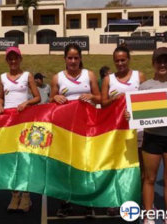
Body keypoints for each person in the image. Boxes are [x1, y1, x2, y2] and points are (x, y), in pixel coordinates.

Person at [50, 43, 101, 217]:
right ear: (65, 59)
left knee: (86, 165)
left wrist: (92, 96)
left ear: (80, 59)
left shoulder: (89, 75)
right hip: (65, 130)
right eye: (70, 58)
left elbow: (101, 98)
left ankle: (88, 203)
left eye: (76, 58)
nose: (73, 61)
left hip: (87, 128)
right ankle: (65, 203)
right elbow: (50, 104)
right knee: (65, 168)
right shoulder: (57, 78)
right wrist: (54, 97)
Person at [101, 45, 146, 216]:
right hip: (116, 131)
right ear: (114, 61)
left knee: (139, 167)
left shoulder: (138, 76)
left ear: (128, 59)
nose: (120, 63)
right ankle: (115, 200)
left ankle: (138, 200)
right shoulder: (108, 79)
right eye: (117, 60)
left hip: (138, 130)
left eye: (123, 60)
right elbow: (103, 103)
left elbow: (145, 100)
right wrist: (115, 99)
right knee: (117, 168)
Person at [0, 46, 40, 212]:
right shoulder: (2, 77)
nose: (13, 61)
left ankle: (26, 196)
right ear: (7, 60)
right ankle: (15, 195)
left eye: (15, 58)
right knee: (12, 159)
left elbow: (37, 97)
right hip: (8, 123)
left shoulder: (27, 75)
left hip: (24, 122)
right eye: (10, 58)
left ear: (20, 59)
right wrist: (0, 106)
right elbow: (0, 98)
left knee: (24, 158)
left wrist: (26, 103)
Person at [139, 47, 167, 224]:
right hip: (152, 138)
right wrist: (131, 115)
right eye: (159, 61)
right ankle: (149, 214)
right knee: (149, 178)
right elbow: (136, 113)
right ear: (153, 63)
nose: (162, 64)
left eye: (166, 61)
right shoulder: (145, 86)